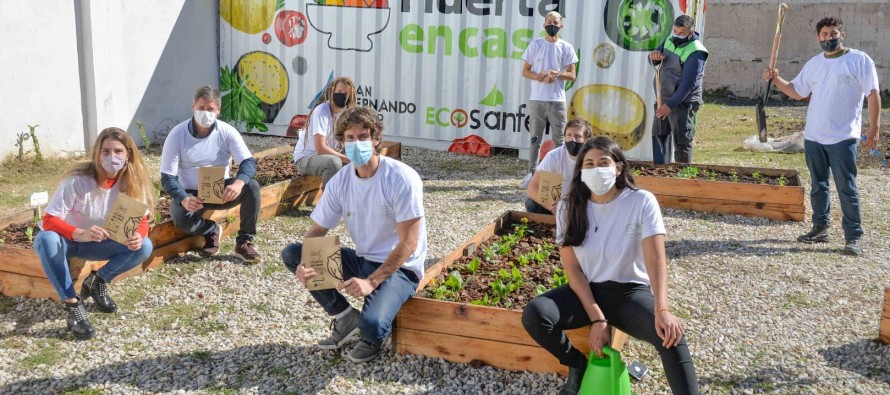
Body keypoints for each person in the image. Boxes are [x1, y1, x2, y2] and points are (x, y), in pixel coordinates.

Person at [522, 137, 699, 395]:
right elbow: (573, 271)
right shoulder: (567, 208)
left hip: (629, 293)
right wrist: (597, 318)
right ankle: (577, 364)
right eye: (589, 164)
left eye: (603, 162)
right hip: (587, 292)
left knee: (671, 336)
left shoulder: (641, 202)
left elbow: (656, 259)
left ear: (618, 168)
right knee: (536, 314)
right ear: (581, 171)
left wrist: (662, 308)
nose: (596, 169)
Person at [281, 106, 427, 363]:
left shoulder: (401, 178)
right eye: (350, 138)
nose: (356, 143)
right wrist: (305, 265)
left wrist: (371, 282)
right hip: (363, 258)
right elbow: (317, 230)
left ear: (376, 139)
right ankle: (345, 317)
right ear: (341, 142)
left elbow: (409, 243)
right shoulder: (341, 180)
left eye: (363, 137)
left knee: (372, 326)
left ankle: (369, 335)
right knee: (294, 253)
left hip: (400, 267)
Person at [764, 17, 880, 256]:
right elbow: (797, 92)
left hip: (843, 136)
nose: (829, 37)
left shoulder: (859, 60)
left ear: (842, 35)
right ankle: (820, 228)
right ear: (818, 38)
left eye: (833, 33)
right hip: (814, 136)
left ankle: (853, 236)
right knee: (819, 186)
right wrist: (776, 79)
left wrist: (874, 128)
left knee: (846, 187)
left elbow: (873, 94)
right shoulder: (814, 64)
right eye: (825, 34)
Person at [33, 127, 156, 340]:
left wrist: (138, 234)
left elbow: (142, 218)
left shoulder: (134, 182)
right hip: (67, 242)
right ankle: (72, 305)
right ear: (97, 154)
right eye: (106, 151)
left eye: (118, 151)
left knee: (145, 245)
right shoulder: (77, 180)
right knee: (46, 238)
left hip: (102, 242)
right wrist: (78, 232)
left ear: (128, 155)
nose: (112, 157)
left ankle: (98, 281)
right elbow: (49, 219)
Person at [160, 85, 262, 263]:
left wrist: (238, 184)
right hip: (191, 194)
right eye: (201, 108)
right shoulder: (177, 135)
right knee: (179, 217)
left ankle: (245, 241)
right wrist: (183, 198)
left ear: (218, 110)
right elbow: (167, 176)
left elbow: (248, 162)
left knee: (252, 186)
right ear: (193, 107)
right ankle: (210, 230)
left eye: (210, 109)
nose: (205, 113)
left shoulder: (227, 132)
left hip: (220, 192)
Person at [519, 10, 578, 189]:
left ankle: (562, 175)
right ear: (544, 24)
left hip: (557, 100)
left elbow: (572, 75)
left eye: (555, 22)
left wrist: (557, 74)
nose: (552, 25)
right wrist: (540, 76)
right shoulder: (535, 45)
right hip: (538, 99)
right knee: (534, 138)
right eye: (549, 21)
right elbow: (526, 71)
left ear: (561, 26)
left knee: (560, 140)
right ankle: (532, 173)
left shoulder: (566, 47)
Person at [649, 15, 708, 164]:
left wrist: (670, 105)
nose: (676, 35)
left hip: (684, 103)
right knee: (659, 135)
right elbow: (655, 58)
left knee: (682, 141)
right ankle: (661, 171)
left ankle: (682, 178)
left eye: (680, 33)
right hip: (663, 98)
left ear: (691, 31)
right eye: (675, 31)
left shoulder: (696, 52)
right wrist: (654, 57)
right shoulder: (670, 39)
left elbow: (688, 85)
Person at [293, 76, 357, 185]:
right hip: (306, 158)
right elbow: (320, 148)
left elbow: (346, 140)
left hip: (326, 156)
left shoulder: (344, 112)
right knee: (334, 163)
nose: (342, 96)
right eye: (339, 92)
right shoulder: (322, 111)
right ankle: (328, 200)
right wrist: (348, 159)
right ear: (332, 92)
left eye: (346, 94)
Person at [524, 119, 593, 215]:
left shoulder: (593, 159)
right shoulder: (554, 156)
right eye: (569, 135)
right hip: (556, 204)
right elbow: (532, 189)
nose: (573, 140)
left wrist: (571, 208)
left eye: (578, 136)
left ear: (587, 140)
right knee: (531, 203)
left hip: (581, 206)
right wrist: (555, 208)